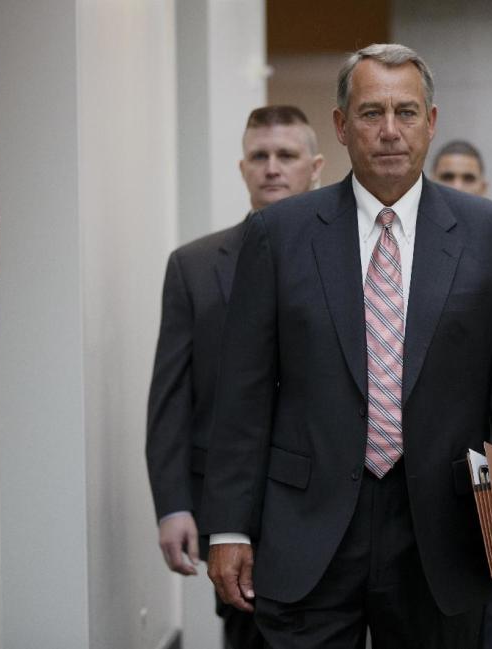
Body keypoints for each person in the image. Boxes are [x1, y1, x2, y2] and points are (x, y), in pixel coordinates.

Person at [201, 43, 492, 649]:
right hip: (306, 525)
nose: (390, 131)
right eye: (371, 113)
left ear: (432, 121)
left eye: (407, 112)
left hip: (440, 531)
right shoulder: (279, 237)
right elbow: (243, 395)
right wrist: (228, 528)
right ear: (341, 127)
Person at [145, 105, 324, 649]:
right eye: (259, 156)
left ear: (314, 167)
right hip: (232, 505)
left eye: (286, 156)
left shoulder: (358, 261)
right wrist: (174, 503)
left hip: (329, 500)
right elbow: (170, 397)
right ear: (242, 168)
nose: (272, 167)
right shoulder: (194, 267)